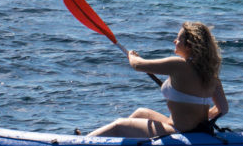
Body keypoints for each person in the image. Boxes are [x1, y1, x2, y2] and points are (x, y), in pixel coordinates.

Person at [88, 21, 228, 138]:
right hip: (197, 131)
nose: (175, 41)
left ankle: (81, 142)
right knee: (141, 113)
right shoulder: (211, 75)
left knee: (119, 125)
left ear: (189, 45)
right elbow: (223, 109)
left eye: (179, 39)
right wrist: (200, 117)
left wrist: (131, 56)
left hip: (179, 132)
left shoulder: (179, 65)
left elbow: (137, 65)